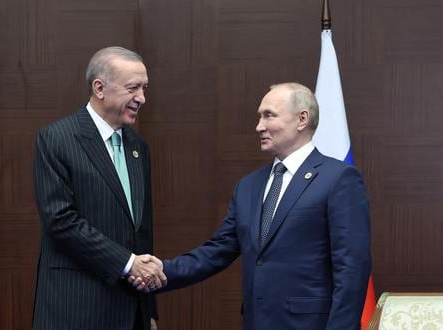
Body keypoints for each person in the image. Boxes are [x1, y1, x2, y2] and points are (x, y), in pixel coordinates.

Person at [132, 82, 371, 329]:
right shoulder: (248, 186)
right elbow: (218, 250)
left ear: (302, 119)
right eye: (259, 117)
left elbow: (352, 269)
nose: (259, 126)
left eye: (269, 115)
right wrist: (162, 271)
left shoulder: (338, 179)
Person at [32, 46, 165, 330]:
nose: (141, 98)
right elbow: (60, 221)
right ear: (100, 87)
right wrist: (128, 263)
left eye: (144, 88)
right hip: (77, 306)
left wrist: (149, 310)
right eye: (133, 88)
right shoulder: (57, 139)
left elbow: (142, 232)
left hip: (131, 311)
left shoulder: (138, 147)